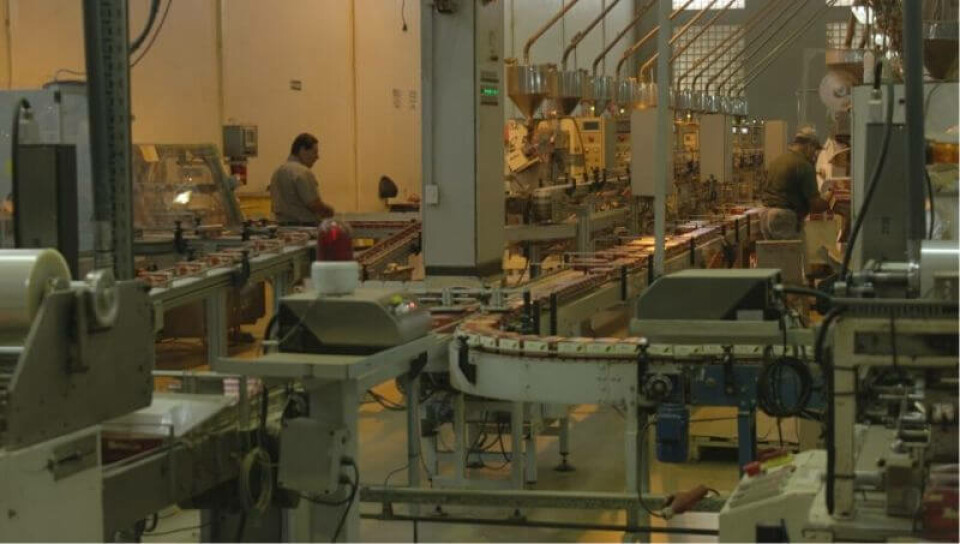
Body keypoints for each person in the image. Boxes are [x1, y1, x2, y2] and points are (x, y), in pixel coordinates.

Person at [760, 127, 833, 240]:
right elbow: (815, 206)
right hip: (784, 219)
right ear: (809, 146)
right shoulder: (804, 165)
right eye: (814, 150)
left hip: (765, 217)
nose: (814, 154)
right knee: (794, 251)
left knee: (774, 252)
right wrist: (830, 198)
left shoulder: (777, 161)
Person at [269, 133, 335, 224]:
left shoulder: (277, 172)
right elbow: (314, 204)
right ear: (303, 150)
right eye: (314, 152)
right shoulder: (302, 172)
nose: (317, 157)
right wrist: (329, 211)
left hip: (281, 226)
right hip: (304, 227)